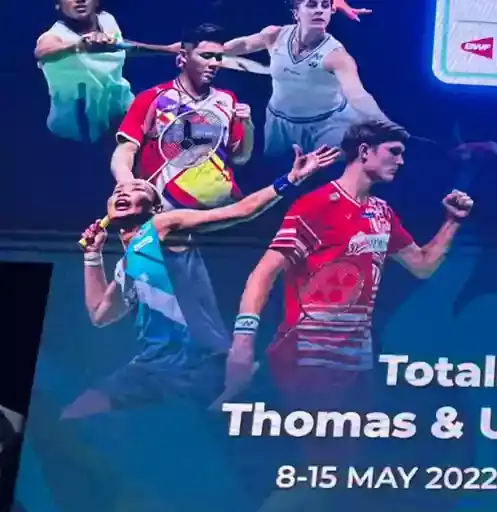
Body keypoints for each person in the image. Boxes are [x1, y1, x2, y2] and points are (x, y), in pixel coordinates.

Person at [66, 145, 341, 419]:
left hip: (202, 362)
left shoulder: (162, 225)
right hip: (153, 366)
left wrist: (291, 179)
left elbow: (242, 210)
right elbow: (100, 314)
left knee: (236, 428)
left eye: (137, 188)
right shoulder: (126, 266)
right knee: (74, 415)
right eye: (118, 191)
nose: (123, 192)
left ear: (156, 207)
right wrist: (93, 255)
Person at [228, 119, 472, 409]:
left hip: (356, 362)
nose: (401, 161)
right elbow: (263, 274)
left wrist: (452, 222)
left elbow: (422, 265)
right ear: (365, 151)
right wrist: (243, 343)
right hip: (305, 357)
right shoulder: (318, 205)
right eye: (394, 151)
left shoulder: (381, 212)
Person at [110, 25, 253, 211]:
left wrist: (247, 125)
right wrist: (127, 184)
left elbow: (240, 157)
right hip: (167, 210)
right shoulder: (154, 98)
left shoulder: (227, 99)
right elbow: (125, 151)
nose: (214, 63)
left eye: (218, 57)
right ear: (184, 57)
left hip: (221, 211)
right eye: (206, 56)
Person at [223, 0, 388, 160]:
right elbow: (244, 44)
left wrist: (387, 126)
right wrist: (215, 50)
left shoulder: (337, 56)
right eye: (312, 4)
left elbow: (357, 95)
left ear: (331, 12)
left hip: (327, 125)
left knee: (326, 171)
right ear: (296, 13)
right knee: (274, 168)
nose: (319, 10)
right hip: (279, 122)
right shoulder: (275, 35)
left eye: (325, 5)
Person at [34, 0, 133, 143]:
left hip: (123, 116)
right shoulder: (56, 35)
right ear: (58, 4)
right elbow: (41, 51)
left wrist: (164, 50)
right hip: (77, 135)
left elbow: (122, 46)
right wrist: (79, 46)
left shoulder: (107, 20)